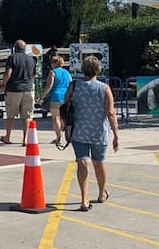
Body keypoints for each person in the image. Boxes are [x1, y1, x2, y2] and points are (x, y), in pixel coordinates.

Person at [69, 54, 120, 211]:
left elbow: (66, 105)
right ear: (98, 70)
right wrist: (116, 135)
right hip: (99, 131)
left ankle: (84, 199)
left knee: (82, 162)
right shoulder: (104, 88)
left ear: (83, 69)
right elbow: (110, 112)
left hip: (79, 131)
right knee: (99, 162)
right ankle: (101, 193)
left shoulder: (74, 86)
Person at [0, 39, 36, 144]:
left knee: (11, 115)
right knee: (27, 116)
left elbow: (8, 73)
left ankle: (7, 137)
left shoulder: (12, 58)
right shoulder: (31, 59)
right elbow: (34, 75)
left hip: (13, 90)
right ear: (25, 49)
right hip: (28, 90)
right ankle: (25, 139)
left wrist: (3, 85)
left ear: (15, 48)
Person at [38, 54, 71, 146]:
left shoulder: (53, 72)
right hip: (66, 96)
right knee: (64, 117)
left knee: (55, 117)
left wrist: (42, 97)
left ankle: (58, 138)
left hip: (56, 96)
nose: (51, 64)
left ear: (55, 63)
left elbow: (49, 86)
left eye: (52, 62)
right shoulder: (67, 73)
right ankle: (68, 136)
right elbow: (70, 83)